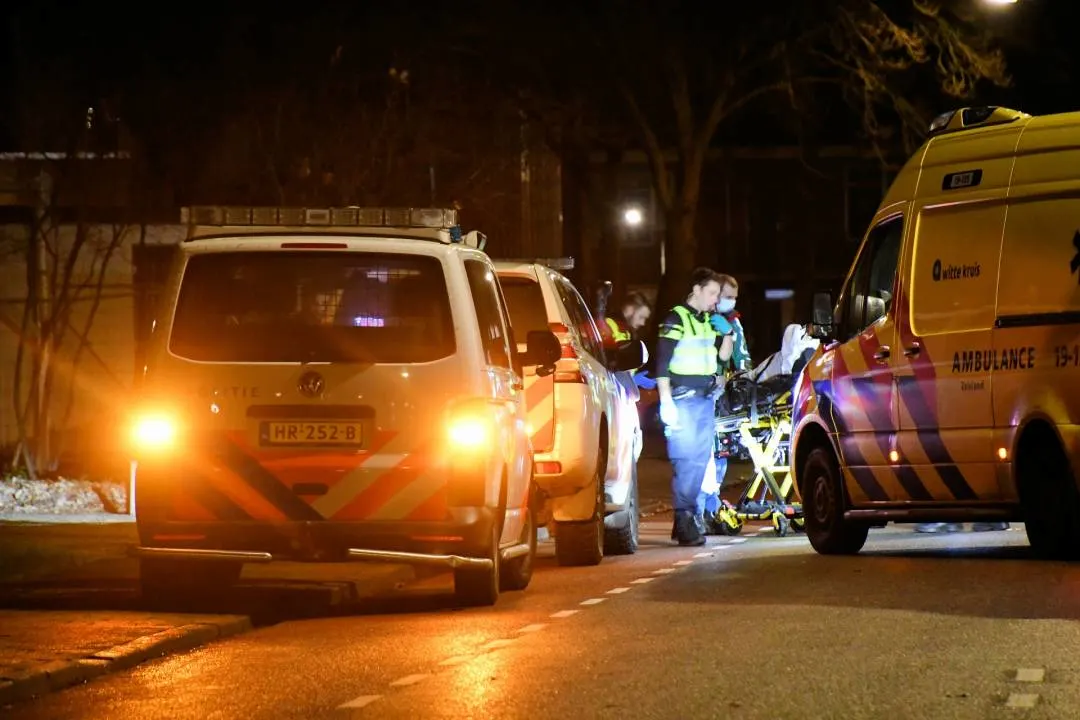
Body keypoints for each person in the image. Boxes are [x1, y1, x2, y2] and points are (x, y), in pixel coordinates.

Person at [655, 267, 734, 546]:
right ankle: (686, 518)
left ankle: (685, 519)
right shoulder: (676, 319)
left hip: (704, 399)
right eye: (712, 293)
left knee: (699, 462)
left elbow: (723, 356)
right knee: (687, 462)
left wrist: (728, 335)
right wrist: (665, 402)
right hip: (683, 400)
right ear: (696, 290)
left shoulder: (706, 320)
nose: (716, 300)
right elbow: (662, 364)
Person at [698, 274, 752, 527]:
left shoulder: (729, 323)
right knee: (708, 454)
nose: (731, 302)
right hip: (706, 392)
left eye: (734, 298)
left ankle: (709, 505)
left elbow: (741, 359)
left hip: (722, 393)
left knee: (719, 452)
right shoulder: (703, 320)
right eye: (727, 297)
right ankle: (704, 508)